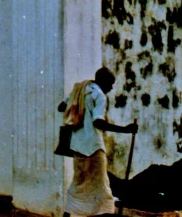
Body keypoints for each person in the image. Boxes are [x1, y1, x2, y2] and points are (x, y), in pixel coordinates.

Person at [58, 67, 138, 217]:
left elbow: (61, 107)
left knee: (79, 185)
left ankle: (70, 213)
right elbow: (98, 123)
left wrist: (79, 108)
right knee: (102, 189)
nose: (111, 88)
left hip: (77, 147)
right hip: (94, 147)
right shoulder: (100, 96)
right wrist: (125, 129)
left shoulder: (81, 90)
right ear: (103, 81)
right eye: (110, 84)